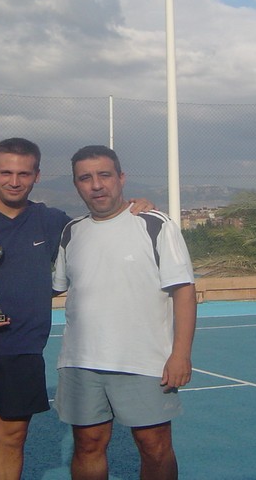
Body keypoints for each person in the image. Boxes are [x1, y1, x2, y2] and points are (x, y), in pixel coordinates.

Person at [0, 137, 153, 480]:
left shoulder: (52, 222)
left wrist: (134, 209)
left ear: (36, 176)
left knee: (12, 440)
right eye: (5, 172)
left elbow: (99, 230)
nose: (14, 181)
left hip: (22, 349)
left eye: (23, 174)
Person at [52, 145, 197, 480]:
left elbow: (184, 292)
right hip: (80, 362)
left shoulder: (155, 224)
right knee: (87, 445)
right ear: (76, 184)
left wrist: (181, 355)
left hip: (144, 362)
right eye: (85, 178)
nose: (96, 185)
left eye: (104, 175)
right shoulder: (71, 231)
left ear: (121, 177)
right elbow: (56, 287)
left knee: (154, 447)